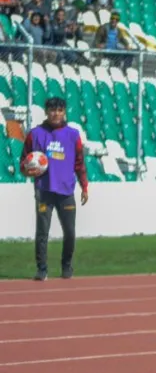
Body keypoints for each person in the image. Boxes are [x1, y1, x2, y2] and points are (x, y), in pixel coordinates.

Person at [19, 97, 89, 281]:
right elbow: (23, 163)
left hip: (66, 191)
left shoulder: (73, 135)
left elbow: (79, 163)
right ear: (46, 111)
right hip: (44, 191)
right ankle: (42, 269)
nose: (55, 113)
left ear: (64, 112)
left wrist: (84, 187)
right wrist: (28, 169)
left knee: (70, 232)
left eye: (59, 110)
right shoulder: (35, 134)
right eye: (52, 110)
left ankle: (66, 266)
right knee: (42, 232)